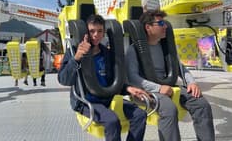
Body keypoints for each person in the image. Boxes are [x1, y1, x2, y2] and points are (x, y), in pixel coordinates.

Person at [125, 10, 215, 141]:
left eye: (165, 23)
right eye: (160, 23)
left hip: (169, 86)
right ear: (148, 27)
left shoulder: (167, 48)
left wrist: (192, 82)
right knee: (169, 110)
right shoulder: (133, 50)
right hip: (148, 91)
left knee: (202, 105)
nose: (165, 26)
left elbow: (180, 68)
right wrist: (158, 88)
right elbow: (133, 78)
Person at [58, 14, 148, 141]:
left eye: (100, 31)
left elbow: (114, 81)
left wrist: (128, 89)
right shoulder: (73, 52)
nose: (96, 35)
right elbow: (63, 79)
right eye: (92, 31)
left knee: (140, 115)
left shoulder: (107, 54)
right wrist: (77, 58)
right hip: (88, 101)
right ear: (85, 32)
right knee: (112, 121)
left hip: (108, 98)